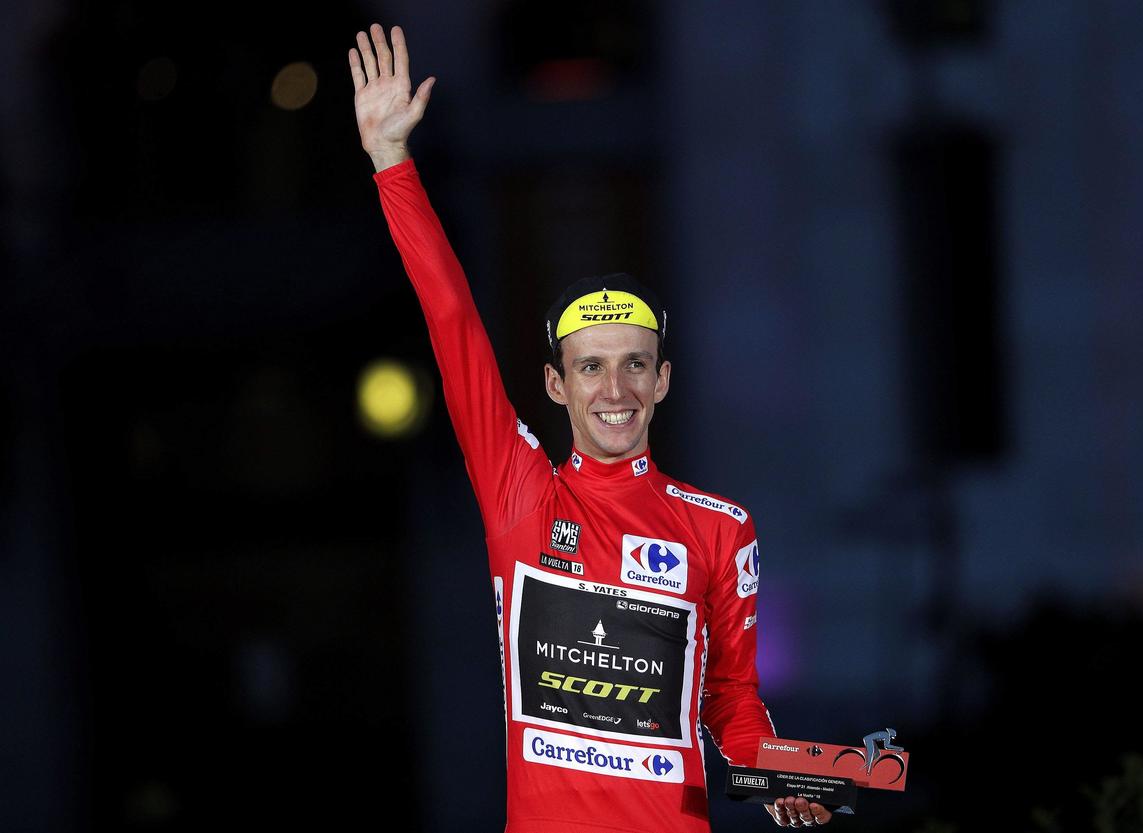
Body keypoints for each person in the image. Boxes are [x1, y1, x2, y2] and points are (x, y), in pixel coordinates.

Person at [349, 23, 833, 831]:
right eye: (591, 366)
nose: (615, 388)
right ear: (556, 384)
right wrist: (391, 161)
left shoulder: (721, 529)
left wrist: (778, 775)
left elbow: (731, 702)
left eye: (635, 363)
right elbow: (451, 316)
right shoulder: (520, 491)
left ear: (662, 379)